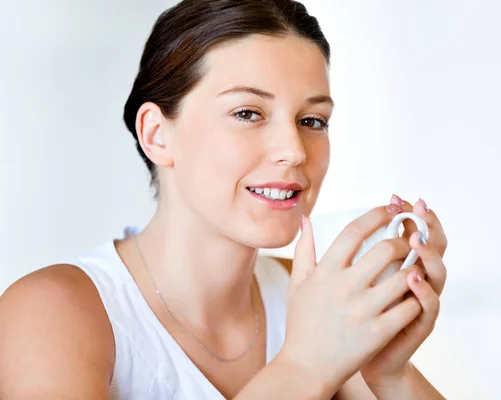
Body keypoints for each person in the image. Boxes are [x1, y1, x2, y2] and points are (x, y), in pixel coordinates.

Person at [0, 0, 448, 398]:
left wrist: (391, 373)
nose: (293, 150)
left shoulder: (314, 299)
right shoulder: (49, 314)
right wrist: (305, 368)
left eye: (312, 120)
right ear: (157, 135)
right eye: (248, 113)